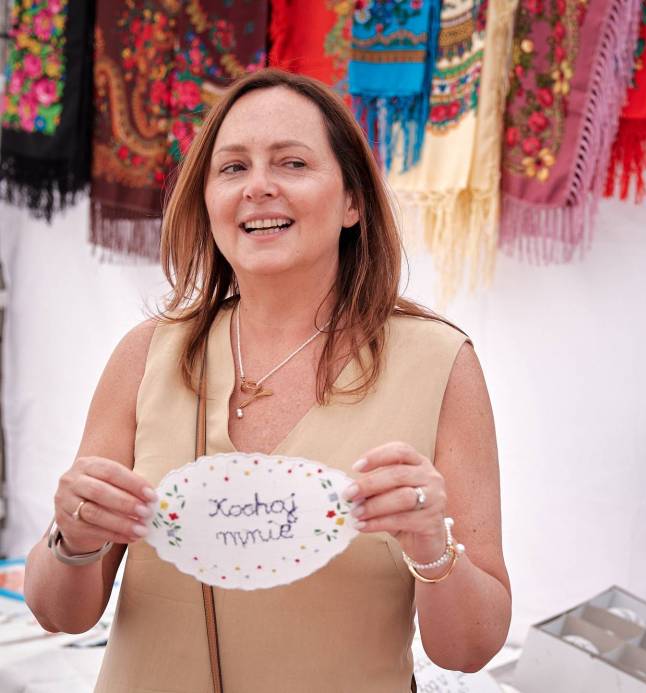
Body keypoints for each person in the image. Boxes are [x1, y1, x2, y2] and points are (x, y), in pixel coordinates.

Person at [23, 68, 511, 692]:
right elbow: (58, 613)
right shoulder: (145, 356)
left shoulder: (440, 363)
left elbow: (469, 650)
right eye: (233, 168)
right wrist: (74, 539)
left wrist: (430, 545)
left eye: (292, 163)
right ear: (207, 200)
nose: (258, 187)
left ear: (353, 201)